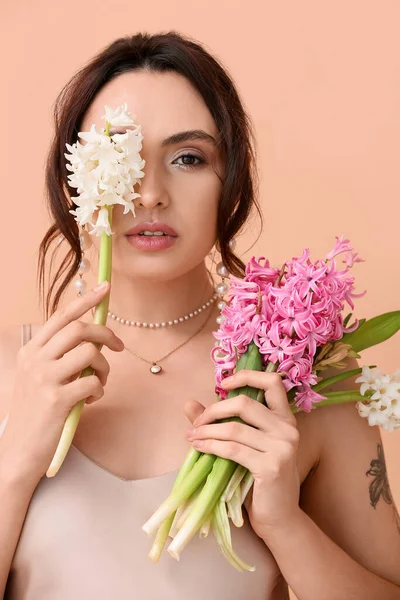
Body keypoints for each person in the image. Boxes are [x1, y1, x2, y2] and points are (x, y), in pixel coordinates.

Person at [0, 31, 399, 600]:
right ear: (75, 181)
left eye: (188, 158)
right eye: (122, 156)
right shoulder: (12, 373)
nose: (150, 194)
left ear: (230, 180)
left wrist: (285, 526)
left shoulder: (307, 380)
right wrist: (13, 464)